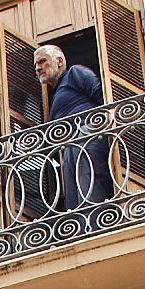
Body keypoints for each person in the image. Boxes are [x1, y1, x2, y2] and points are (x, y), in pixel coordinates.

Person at [33, 44, 116, 217]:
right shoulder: (56, 95)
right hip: (70, 145)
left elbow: (102, 97)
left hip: (87, 133)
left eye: (42, 61)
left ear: (60, 61)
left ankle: (97, 226)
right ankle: (81, 232)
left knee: (90, 183)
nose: (38, 67)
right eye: (36, 65)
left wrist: (99, 126)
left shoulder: (75, 73)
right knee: (74, 198)